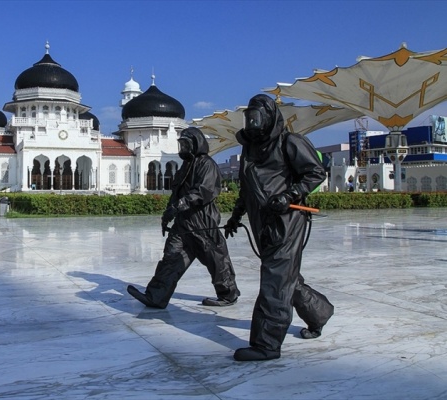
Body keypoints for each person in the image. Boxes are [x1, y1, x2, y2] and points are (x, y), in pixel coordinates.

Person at [225, 94, 334, 361]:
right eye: (249, 117)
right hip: (262, 222)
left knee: (274, 280)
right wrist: (236, 215)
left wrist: (290, 194)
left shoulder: (290, 142)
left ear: (270, 116)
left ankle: (267, 344)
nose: (252, 122)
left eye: (257, 116)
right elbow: (247, 187)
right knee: (285, 277)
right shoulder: (249, 148)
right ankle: (319, 312)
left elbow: (316, 172)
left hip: (287, 221)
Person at [127, 127, 241, 309]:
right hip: (182, 223)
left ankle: (228, 294)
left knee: (216, 258)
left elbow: (204, 191)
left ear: (195, 144)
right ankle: (156, 296)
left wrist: (181, 204)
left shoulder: (207, 164)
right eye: (181, 144)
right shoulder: (186, 166)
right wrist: (167, 216)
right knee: (171, 258)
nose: (183, 148)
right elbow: (176, 193)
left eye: (186, 144)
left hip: (202, 222)